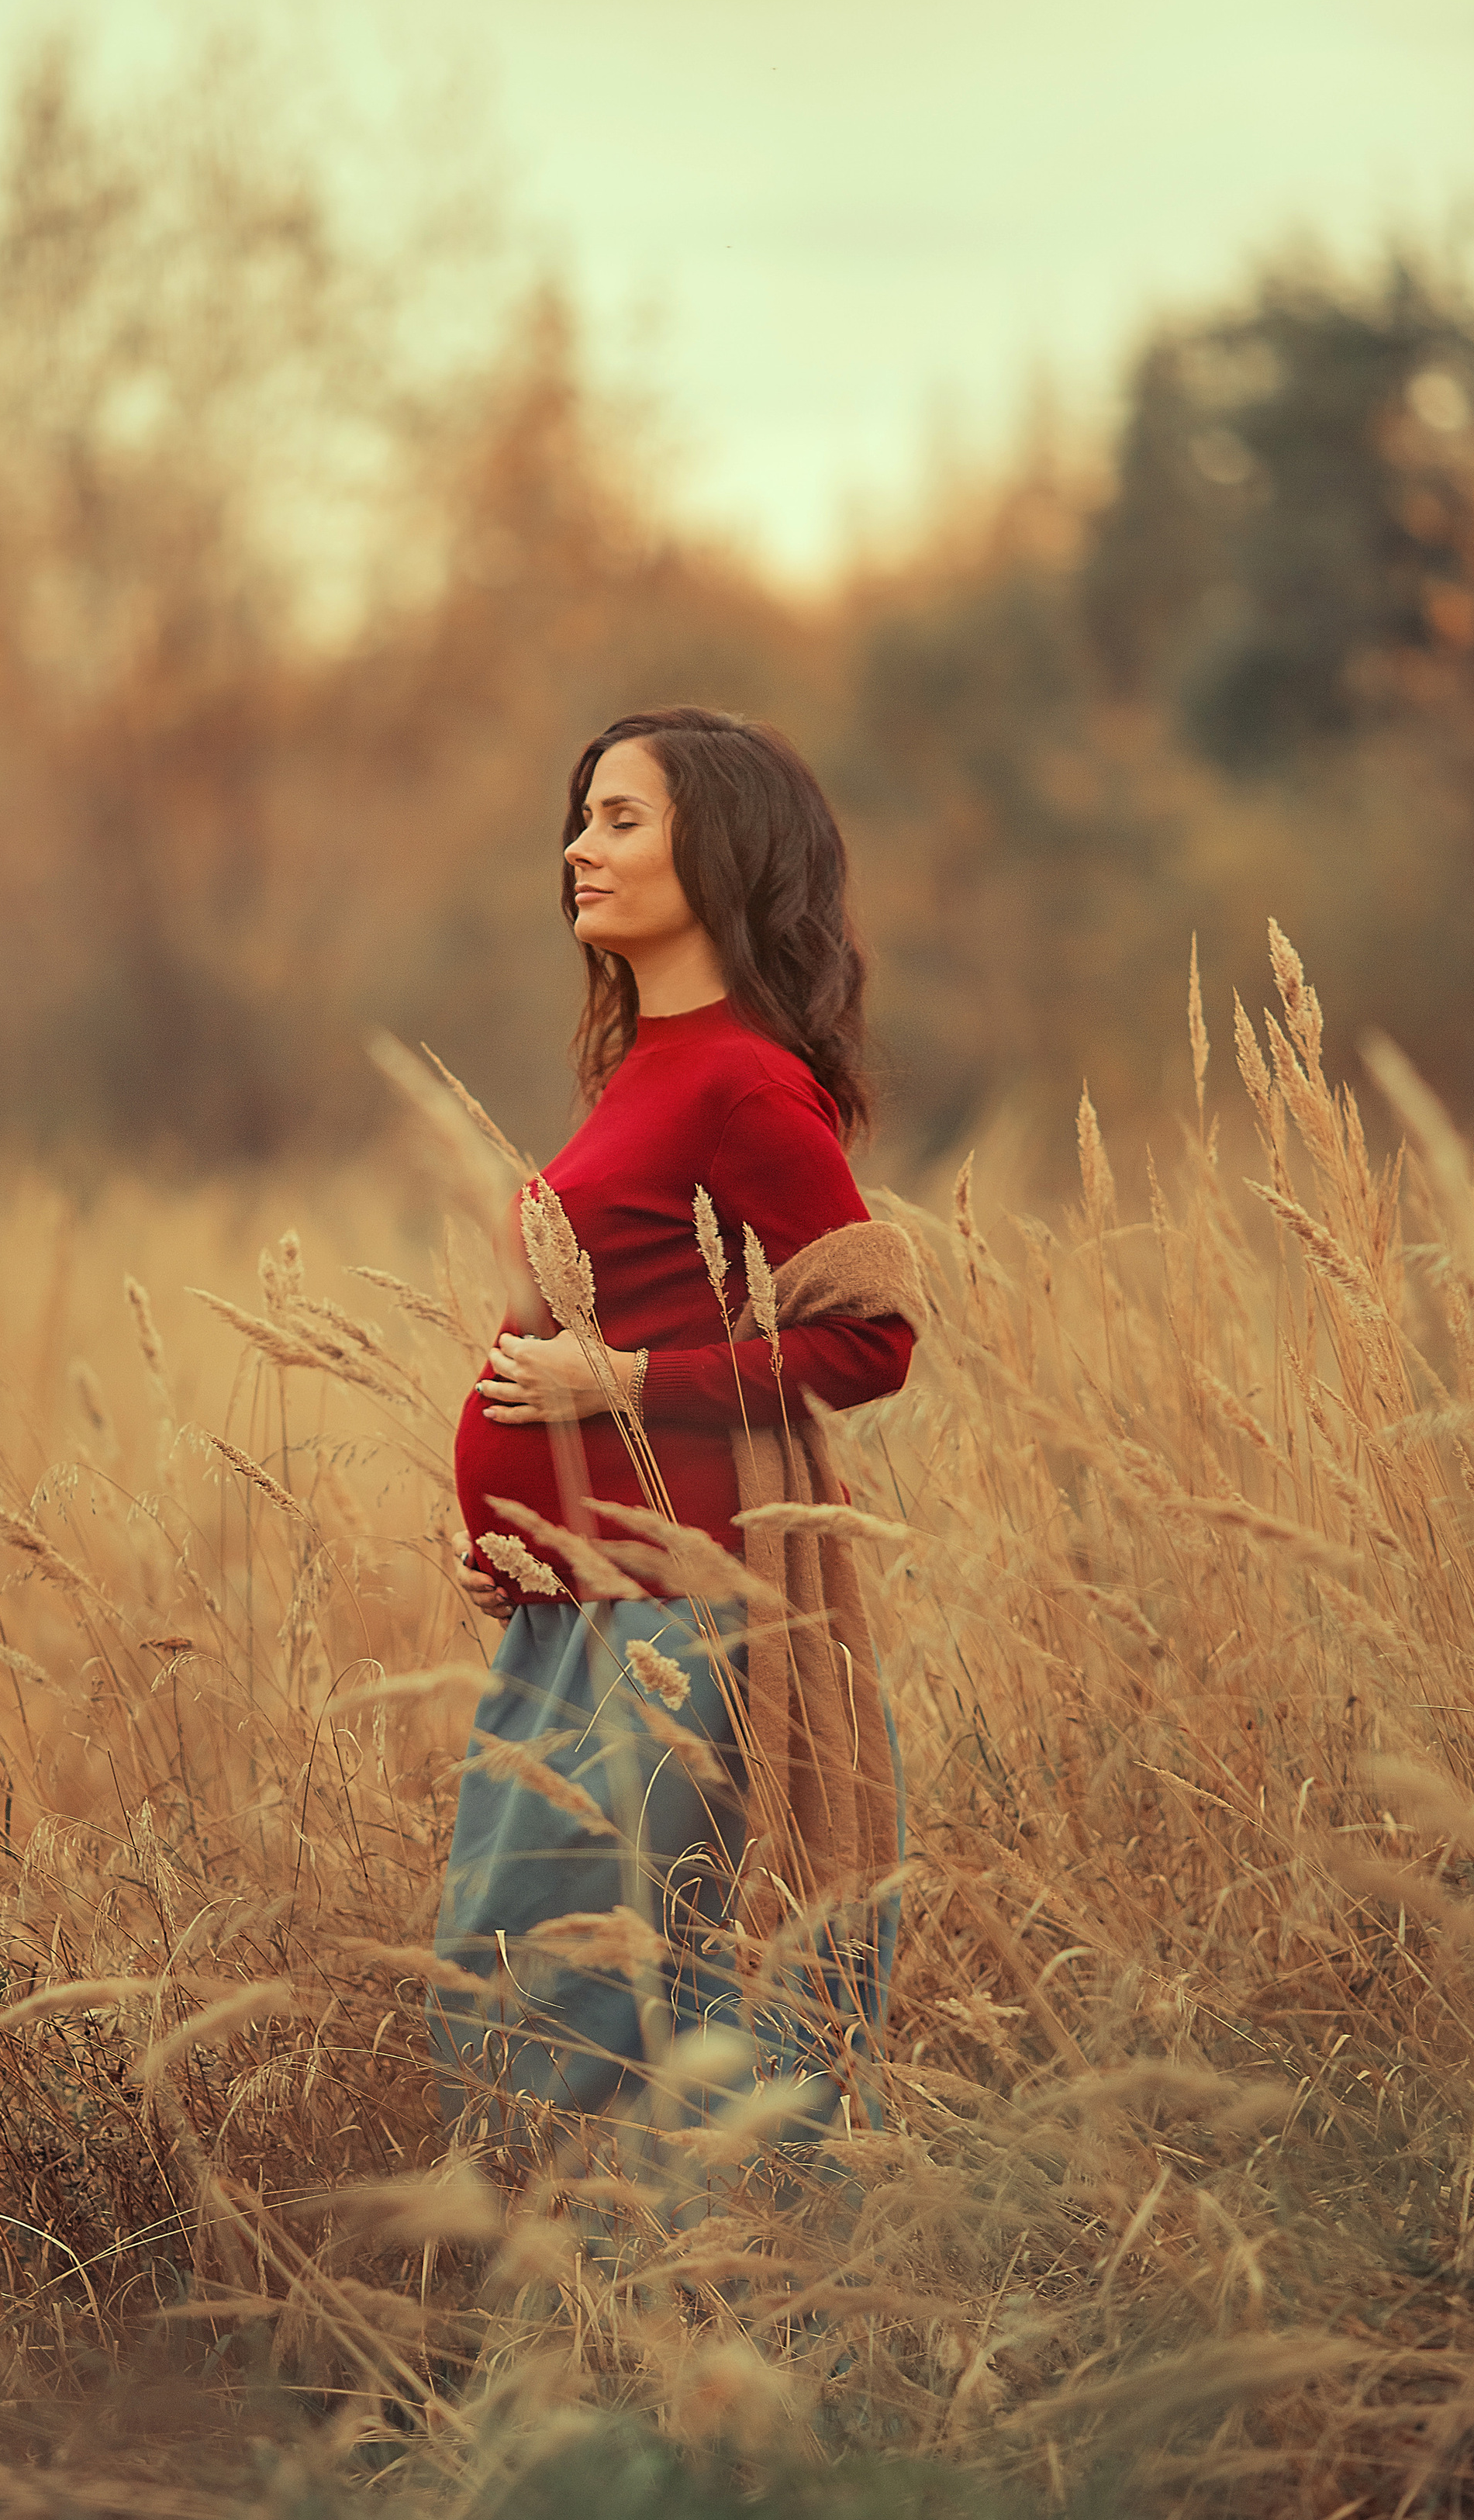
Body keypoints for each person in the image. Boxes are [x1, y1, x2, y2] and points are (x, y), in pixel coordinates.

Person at [431, 705, 926, 2135]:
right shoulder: (645, 1070)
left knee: (578, 2011)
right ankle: (609, 2321)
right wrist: (523, 1532)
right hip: (583, 1610)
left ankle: (688, 2320)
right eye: (581, 819)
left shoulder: (745, 1081)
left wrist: (621, 1388)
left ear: (718, 850)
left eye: (621, 819)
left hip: (677, 1623)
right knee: (531, 1993)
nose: (580, 849)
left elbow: (871, 1335)